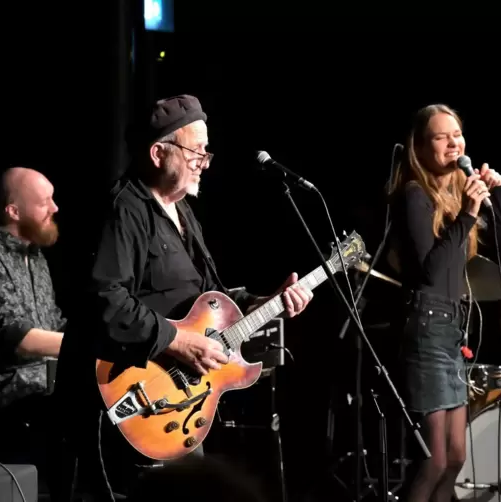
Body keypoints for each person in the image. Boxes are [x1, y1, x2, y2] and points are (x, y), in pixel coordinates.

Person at [51, 94, 313, 501]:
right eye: (196, 150)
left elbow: (212, 302)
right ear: (158, 153)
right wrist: (177, 340)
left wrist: (270, 302)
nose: (204, 161)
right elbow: (105, 299)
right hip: (136, 400)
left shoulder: (184, 212)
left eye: (207, 152)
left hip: (180, 405)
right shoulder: (124, 210)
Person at [388, 104, 501, 502]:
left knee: (456, 457)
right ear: (421, 147)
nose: (453, 143)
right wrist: (469, 214)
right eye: (441, 137)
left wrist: (496, 196)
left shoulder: (455, 191)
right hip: (425, 327)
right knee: (435, 461)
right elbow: (432, 271)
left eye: (457, 134)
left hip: (451, 328)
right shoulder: (414, 194)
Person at [0, 167, 65, 479]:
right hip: (5, 387)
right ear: (14, 211)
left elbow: (53, 323)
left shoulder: (37, 256)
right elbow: (19, 337)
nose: (55, 208)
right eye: (45, 201)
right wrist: (87, 347)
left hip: (46, 375)